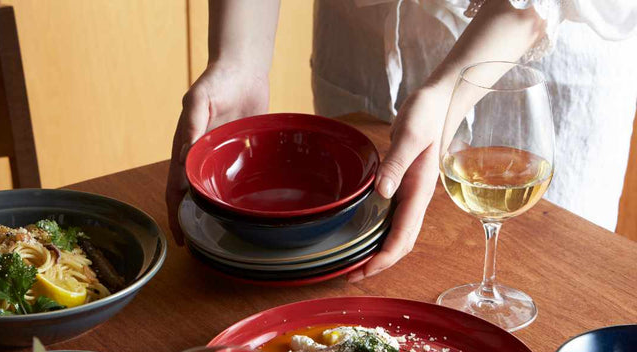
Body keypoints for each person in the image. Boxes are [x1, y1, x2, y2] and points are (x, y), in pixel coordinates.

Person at [167, 0, 637, 282]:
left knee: (552, 286)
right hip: (362, 40)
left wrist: (450, 92)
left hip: (533, 53)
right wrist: (240, 59)